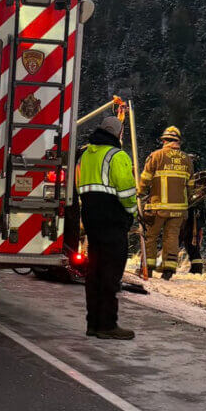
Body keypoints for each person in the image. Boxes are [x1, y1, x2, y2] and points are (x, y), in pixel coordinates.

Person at [76, 116, 138, 340]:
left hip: (91, 217)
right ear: (118, 134)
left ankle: (93, 323)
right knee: (111, 273)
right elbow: (126, 189)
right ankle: (107, 325)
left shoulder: (85, 155)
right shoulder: (117, 156)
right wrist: (132, 212)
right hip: (112, 219)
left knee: (95, 272)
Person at [138, 126, 195, 279]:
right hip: (179, 209)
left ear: (164, 140)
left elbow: (145, 180)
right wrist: (189, 200)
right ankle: (169, 269)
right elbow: (191, 185)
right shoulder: (187, 159)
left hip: (158, 207)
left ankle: (148, 267)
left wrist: (139, 194)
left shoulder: (156, 156)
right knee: (172, 237)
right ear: (178, 141)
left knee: (150, 235)